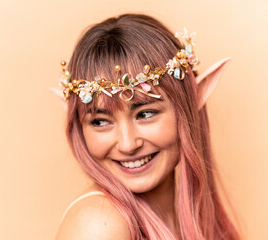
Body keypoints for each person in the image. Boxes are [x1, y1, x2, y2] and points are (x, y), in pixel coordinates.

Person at [53, 13, 240, 240]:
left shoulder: (186, 219)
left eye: (145, 113)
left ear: (188, 108)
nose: (127, 144)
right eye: (100, 121)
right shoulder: (98, 225)